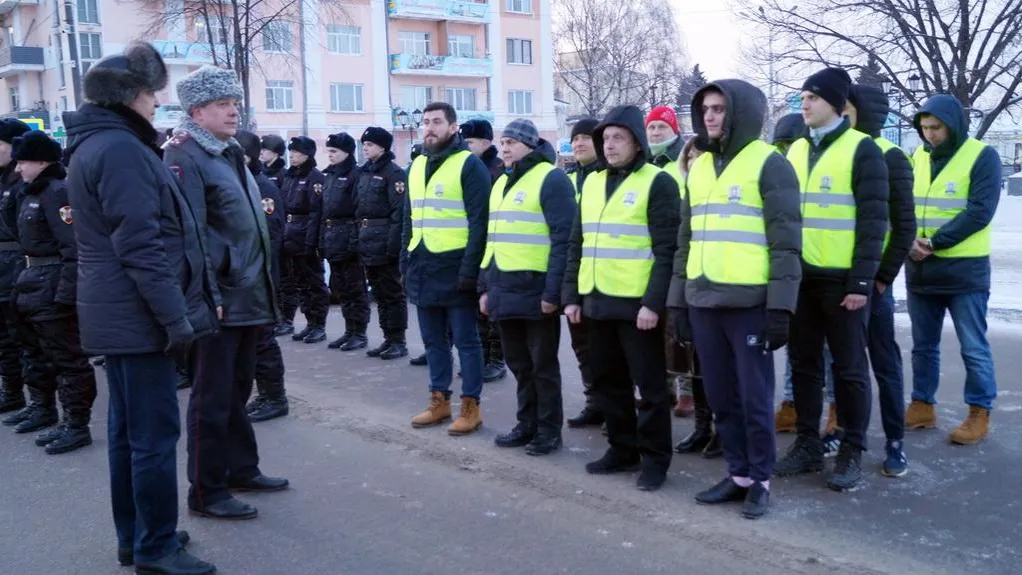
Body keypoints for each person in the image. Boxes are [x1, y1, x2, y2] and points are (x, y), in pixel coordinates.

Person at [65, 41, 215, 574]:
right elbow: (141, 246)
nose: (157, 102)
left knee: (128, 436)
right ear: (129, 96)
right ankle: (155, 548)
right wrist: (175, 318)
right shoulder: (122, 150)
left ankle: (137, 536)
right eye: (151, 94)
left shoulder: (99, 144)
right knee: (152, 437)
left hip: (118, 313)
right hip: (138, 316)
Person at [671, 79, 802, 518]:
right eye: (706, 109)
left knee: (753, 397)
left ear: (741, 112)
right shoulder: (699, 167)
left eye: (719, 108)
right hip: (703, 301)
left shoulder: (769, 164)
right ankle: (739, 473)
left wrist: (780, 308)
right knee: (721, 396)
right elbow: (685, 240)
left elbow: (786, 244)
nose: (710, 116)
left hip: (749, 305)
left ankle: (760, 479)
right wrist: (678, 302)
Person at [165, 65, 288, 520]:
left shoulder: (227, 151)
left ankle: (241, 469)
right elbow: (191, 234)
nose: (234, 111)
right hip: (218, 299)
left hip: (247, 293)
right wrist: (207, 295)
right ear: (197, 111)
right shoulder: (185, 154)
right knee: (211, 398)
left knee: (237, 389)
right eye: (222, 104)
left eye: (234, 103)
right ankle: (206, 491)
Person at [776, 67, 889, 492]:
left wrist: (861, 282)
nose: (805, 104)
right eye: (803, 97)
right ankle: (808, 444)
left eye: (814, 97)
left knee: (849, 369)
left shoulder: (863, 149)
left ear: (838, 105)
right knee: (804, 365)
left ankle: (851, 448)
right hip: (801, 279)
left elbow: (874, 221)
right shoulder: (796, 150)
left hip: (843, 283)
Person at [562, 104, 681, 492]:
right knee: (608, 383)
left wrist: (653, 303)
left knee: (649, 388)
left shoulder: (657, 182)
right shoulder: (592, 183)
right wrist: (572, 296)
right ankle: (622, 448)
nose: (609, 145)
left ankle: (655, 459)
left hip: (637, 306)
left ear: (637, 143)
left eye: (618, 138)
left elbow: (667, 250)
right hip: (596, 301)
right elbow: (577, 243)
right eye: (605, 138)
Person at [904, 94, 1001, 445]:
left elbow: (979, 211)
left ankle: (979, 411)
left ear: (954, 125)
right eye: (925, 128)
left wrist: (933, 243)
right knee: (923, 346)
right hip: (921, 270)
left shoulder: (981, 155)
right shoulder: (917, 156)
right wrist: (909, 240)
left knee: (973, 346)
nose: (930, 134)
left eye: (936, 127)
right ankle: (922, 405)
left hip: (964, 272)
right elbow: (905, 204)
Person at [481, 119, 575, 456]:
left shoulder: (551, 179)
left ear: (530, 145)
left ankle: (549, 430)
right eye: (503, 142)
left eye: (512, 142)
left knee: (543, 366)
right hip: (503, 287)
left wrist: (553, 293)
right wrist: (484, 287)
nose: (504, 148)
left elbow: (564, 239)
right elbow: (492, 240)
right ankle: (527, 423)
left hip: (536, 290)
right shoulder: (501, 183)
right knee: (519, 364)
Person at [10, 130, 98, 454]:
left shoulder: (57, 193)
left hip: (51, 284)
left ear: (41, 162)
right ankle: (49, 411)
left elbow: (73, 248)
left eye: (23, 161)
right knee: (41, 353)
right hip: (33, 282)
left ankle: (76, 424)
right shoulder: (31, 193)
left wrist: (66, 293)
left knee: (67, 358)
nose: (18, 168)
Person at [405, 102, 490, 436]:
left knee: (466, 342)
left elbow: (480, 223)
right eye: (426, 121)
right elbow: (409, 219)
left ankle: (471, 406)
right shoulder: (416, 165)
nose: (429, 127)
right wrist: (405, 258)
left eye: (437, 122)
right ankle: (439, 401)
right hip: (423, 264)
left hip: (456, 267)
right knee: (433, 341)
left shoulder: (469, 165)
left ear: (453, 128)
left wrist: (471, 271)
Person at [846, 84, 916, 475]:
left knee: (884, 363)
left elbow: (904, 227)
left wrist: (883, 277)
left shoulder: (891, 156)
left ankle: (894, 441)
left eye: (847, 108)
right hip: (840, 279)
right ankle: (845, 433)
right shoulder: (839, 152)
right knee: (844, 364)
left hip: (874, 283)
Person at [670, 137, 722, 459]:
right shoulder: (682, 192)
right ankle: (702, 426)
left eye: (700, 156)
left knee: (718, 365)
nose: (694, 162)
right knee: (696, 362)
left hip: (718, 287)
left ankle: (723, 430)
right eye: (690, 157)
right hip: (689, 285)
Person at [236, 129, 290, 423]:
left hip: (260, 275)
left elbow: (272, 233)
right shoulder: (241, 182)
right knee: (252, 341)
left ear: (246, 157)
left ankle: (275, 398)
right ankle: (265, 394)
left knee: (263, 340)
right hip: (245, 275)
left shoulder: (262, 186)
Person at [562, 117, 604, 429]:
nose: (578, 143)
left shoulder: (607, 177)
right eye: (575, 138)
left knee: (606, 346)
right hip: (573, 271)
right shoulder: (567, 179)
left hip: (603, 274)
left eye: (585, 138)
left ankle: (614, 404)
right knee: (582, 344)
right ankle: (594, 401)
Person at [461, 118, 508, 382]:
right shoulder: (469, 167)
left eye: (469, 142)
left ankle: (496, 360)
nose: (464, 146)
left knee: (491, 308)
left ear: (486, 142)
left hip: (493, 247)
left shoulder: (498, 170)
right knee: (476, 308)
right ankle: (481, 358)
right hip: (474, 244)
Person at [356, 127, 409, 359]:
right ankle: (388, 337)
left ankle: (398, 340)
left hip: (385, 239)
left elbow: (399, 212)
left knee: (392, 293)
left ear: (383, 147)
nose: (365, 149)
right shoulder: (365, 172)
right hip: (368, 239)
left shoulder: (393, 173)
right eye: (364, 145)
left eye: (369, 145)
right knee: (378, 293)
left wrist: (393, 245)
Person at [319, 132, 371, 351]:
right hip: (333, 236)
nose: (330, 155)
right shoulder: (330, 175)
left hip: (349, 235)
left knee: (355, 288)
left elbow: (360, 209)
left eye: (334, 151)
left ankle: (360, 333)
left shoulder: (355, 175)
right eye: (329, 151)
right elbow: (325, 210)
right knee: (341, 288)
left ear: (347, 152)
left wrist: (355, 240)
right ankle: (349, 330)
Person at [278, 136, 329, 343]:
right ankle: (310, 322)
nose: (292, 156)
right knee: (300, 283)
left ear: (307, 155)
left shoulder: (315, 177)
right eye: (291, 152)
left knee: (314, 282)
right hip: (291, 234)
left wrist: (311, 242)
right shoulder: (290, 176)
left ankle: (319, 325)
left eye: (296, 153)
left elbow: (316, 212)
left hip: (306, 235)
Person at [0, 119, 31, 416]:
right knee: (4, 339)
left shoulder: (23, 182)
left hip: (18, 269)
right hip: (4, 269)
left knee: (22, 338)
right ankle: (11, 391)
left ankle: (39, 402)